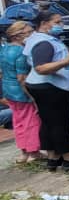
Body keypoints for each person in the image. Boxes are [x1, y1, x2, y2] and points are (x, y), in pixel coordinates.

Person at [24, 10, 69, 172]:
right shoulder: (44, 43)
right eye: (57, 22)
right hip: (50, 87)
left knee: (48, 123)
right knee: (58, 123)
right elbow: (41, 67)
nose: (60, 25)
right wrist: (67, 60)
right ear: (44, 24)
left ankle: (53, 157)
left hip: (42, 85)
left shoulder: (39, 39)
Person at [2, 22, 42, 163]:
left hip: (8, 90)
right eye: (29, 32)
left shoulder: (5, 49)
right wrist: (32, 97)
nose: (32, 35)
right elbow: (22, 78)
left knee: (18, 121)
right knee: (31, 121)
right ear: (18, 36)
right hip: (21, 92)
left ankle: (24, 152)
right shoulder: (21, 52)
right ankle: (33, 152)